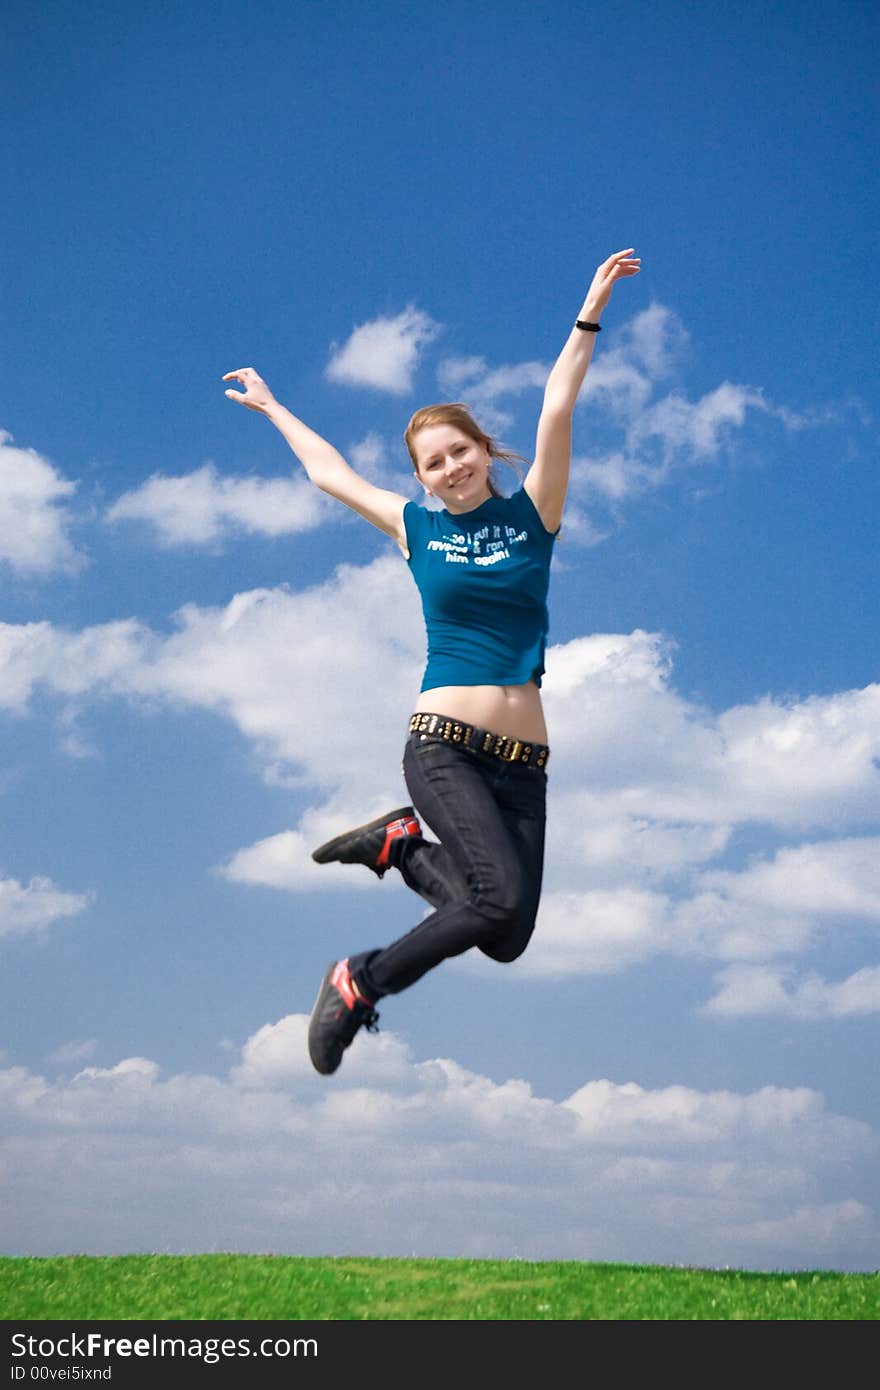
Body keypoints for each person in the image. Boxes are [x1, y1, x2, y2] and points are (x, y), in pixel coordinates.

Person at [223, 247, 640, 1075]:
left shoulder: (534, 518)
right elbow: (327, 474)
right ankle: (358, 982)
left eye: (461, 451)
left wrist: (588, 312)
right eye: (433, 463)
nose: (451, 468)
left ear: (484, 451)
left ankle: (401, 848)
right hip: (444, 744)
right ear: (421, 479)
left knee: (508, 936)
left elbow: (557, 408)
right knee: (498, 900)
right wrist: (274, 407)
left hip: (524, 764)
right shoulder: (419, 531)